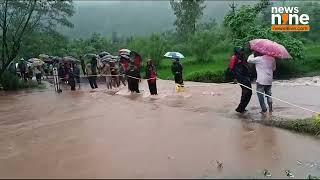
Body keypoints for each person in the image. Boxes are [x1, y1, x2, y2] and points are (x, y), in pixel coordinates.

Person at [229, 47, 252, 113]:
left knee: (249, 92)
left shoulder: (242, 57)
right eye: (241, 51)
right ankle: (240, 108)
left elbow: (245, 67)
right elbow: (231, 69)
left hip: (245, 77)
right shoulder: (234, 58)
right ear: (237, 52)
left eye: (243, 51)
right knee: (246, 92)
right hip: (240, 77)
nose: (242, 52)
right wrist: (234, 78)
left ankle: (242, 108)